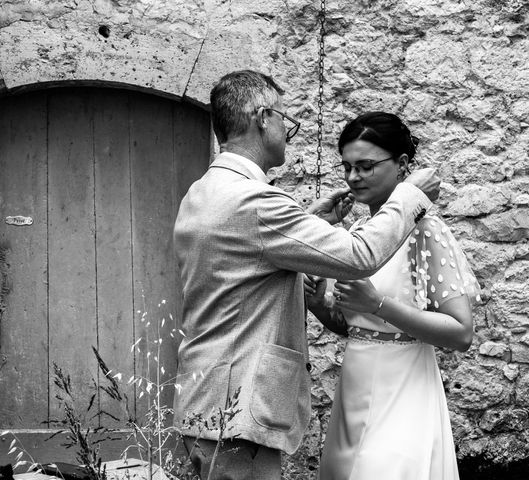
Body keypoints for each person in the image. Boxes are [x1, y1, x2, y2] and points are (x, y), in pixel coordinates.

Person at [172, 71, 442, 480]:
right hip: (237, 405)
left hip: (204, 395)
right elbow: (358, 255)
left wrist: (310, 220)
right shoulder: (255, 200)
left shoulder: (205, 190)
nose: (288, 130)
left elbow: (246, 256)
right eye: (284, 119)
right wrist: (410, 195)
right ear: (263, 118)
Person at [307, 112, 481, 480]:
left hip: (404, 390)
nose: (354, 178)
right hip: (354, 385)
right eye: (348, 167)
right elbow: (358, 326)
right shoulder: (359, 232)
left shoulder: (425, 231)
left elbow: (461, 332)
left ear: (402, 165)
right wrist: (319, 306)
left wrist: (378, 304)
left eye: (366, 166)